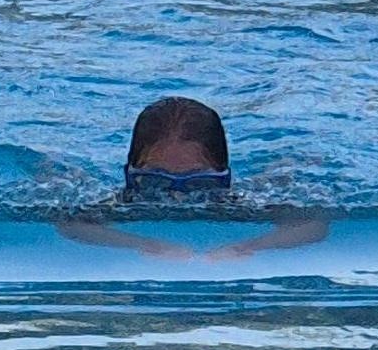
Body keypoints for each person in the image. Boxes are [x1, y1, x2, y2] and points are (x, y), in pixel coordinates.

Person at [57, 95, 326, 259]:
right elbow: (72, 224)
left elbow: (312, 225)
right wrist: (146, 244)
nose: (177, 196)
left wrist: (245, 247)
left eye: (200, 183)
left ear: (224, 178)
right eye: (155, 181)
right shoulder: (124, 202)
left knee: (279, 178)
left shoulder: (234, 203)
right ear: (130, 173)